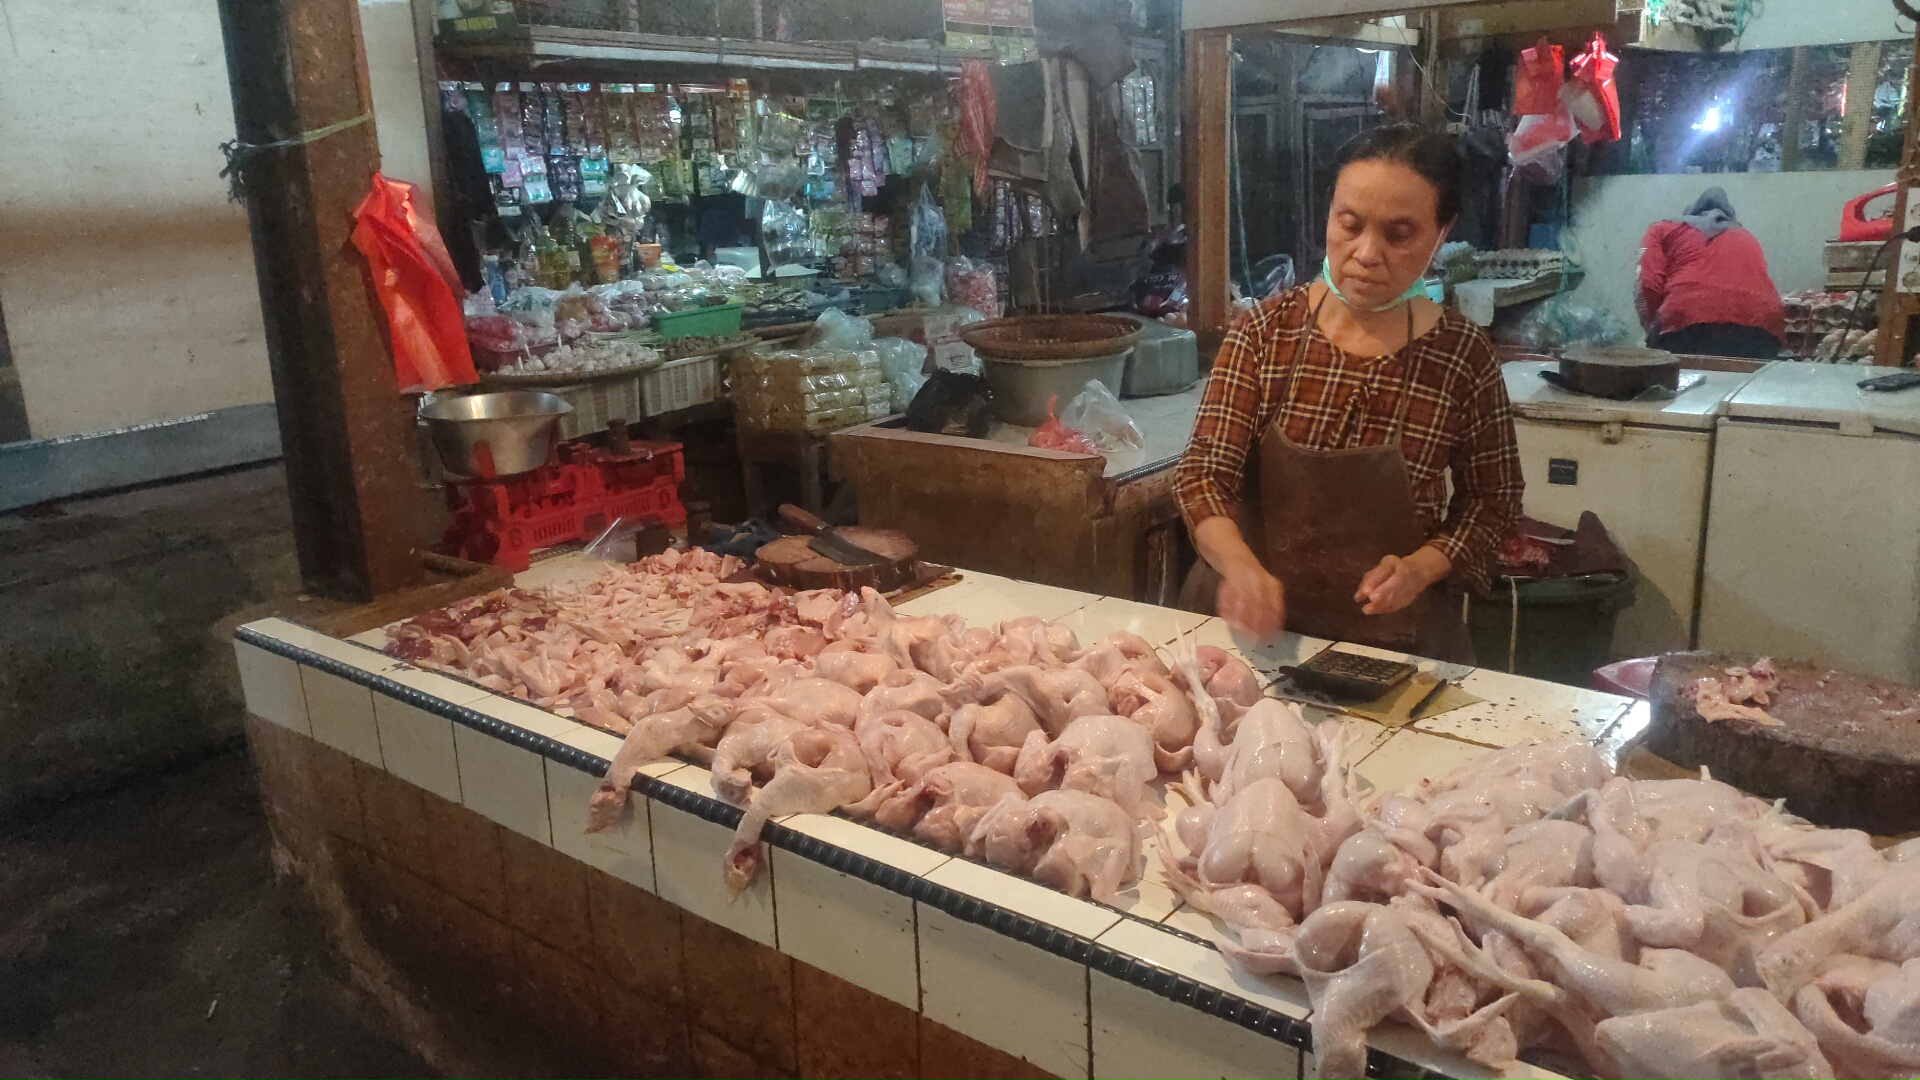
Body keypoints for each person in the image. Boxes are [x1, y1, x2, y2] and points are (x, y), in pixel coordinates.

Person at [1173, 123, 1523, 664]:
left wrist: (1420, 568)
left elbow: (1492, 500)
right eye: (1350, 223)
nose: (1366, 253)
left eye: (1399, 234)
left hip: (1392, 645)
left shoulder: (1462, 355)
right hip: (1247, 638)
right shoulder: (1264, 334)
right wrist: (1242, 569)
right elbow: (1203, 476)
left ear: (1442, 231)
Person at [1635, 188, 1784, 359]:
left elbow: (1646, 282)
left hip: (1686, 323)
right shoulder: (1747, 236)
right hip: (1764, 329)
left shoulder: (1661, 228)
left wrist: (1653, 328)